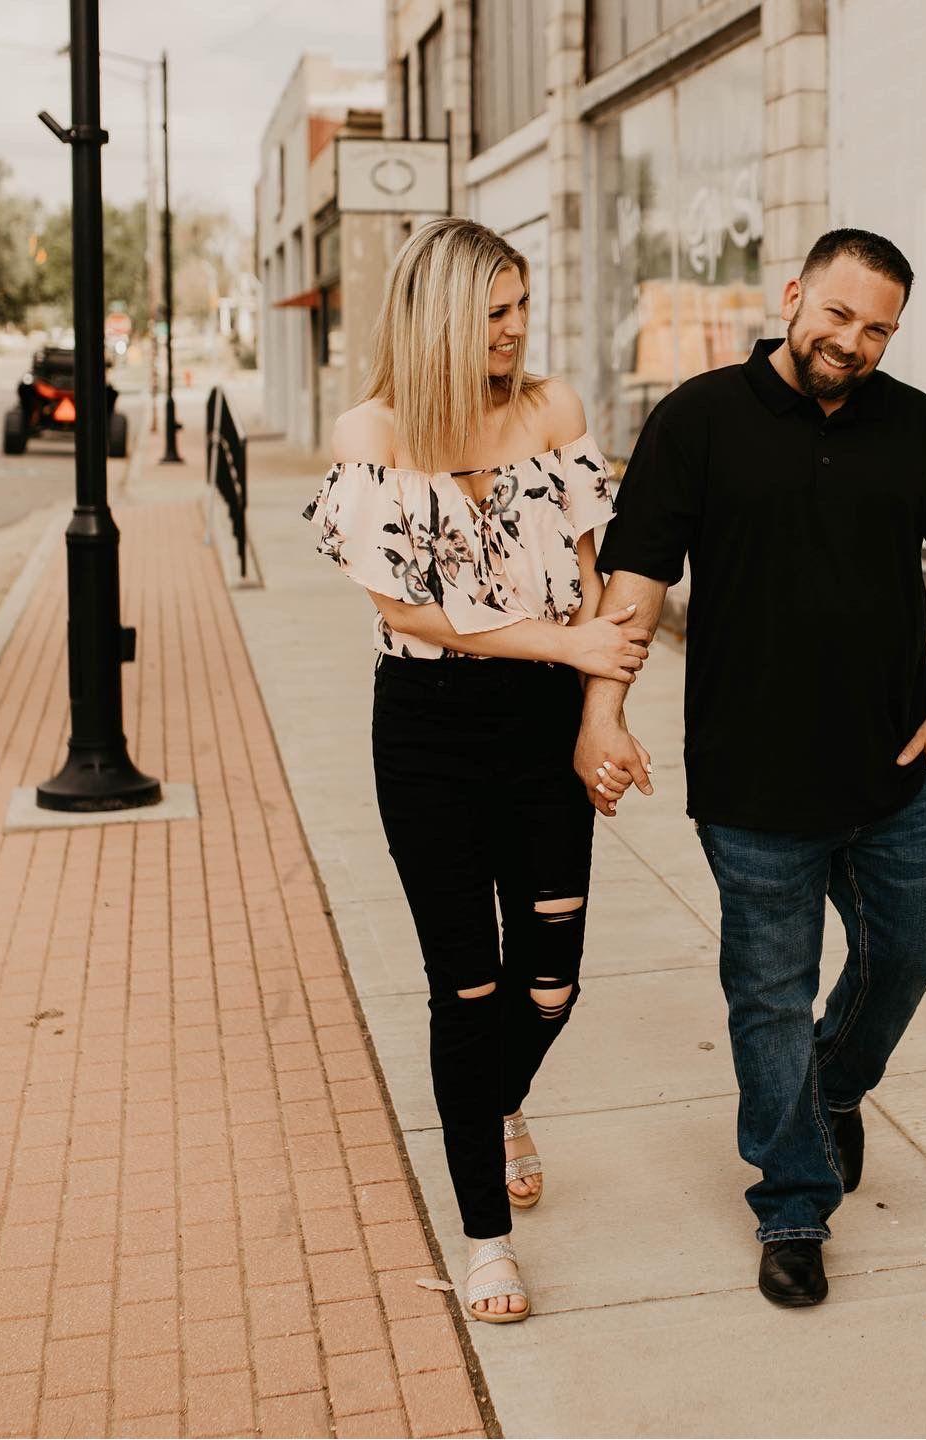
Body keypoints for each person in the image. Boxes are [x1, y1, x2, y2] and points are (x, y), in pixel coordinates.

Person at [577, 228, 926, 1306]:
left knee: (909, 948)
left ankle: (834, 1087)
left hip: (896, 772)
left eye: (878, 329)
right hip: (754, 781)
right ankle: (793, 1206)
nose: (852, 342)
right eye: (838, 314)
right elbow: (637, 578)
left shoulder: (920, 430)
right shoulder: (698, 419)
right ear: (792, 297)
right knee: (768, 995)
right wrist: (603, 712)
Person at [304, 218, 652, 1323]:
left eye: (521, 305)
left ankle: (496, 1105)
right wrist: (568, 646)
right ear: (439, 316)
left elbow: (595, 581)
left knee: (550, 984)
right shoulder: (373, 433)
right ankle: (485, 1240)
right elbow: (408, 609)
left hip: (545, 726)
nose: (515, 328)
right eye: (494, 310)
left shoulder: (554, 414)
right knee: (466, 986)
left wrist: (602, 716)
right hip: (430, 731)